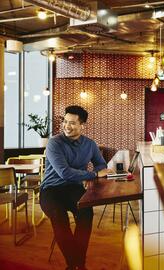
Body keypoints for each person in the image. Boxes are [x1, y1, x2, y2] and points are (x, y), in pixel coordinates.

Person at [40, 105, 113, 270]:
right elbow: (64, 172)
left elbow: (101, 165)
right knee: (60, 218)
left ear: (82, 125)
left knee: (86, 213)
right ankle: (77, 264)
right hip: (50, 190)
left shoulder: (90, 144)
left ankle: (75, 264)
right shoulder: (54, 143)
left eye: (72, 123)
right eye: (65, 122)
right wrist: (92, 175)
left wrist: (92, 173)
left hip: (73, 188)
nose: (66, 126)